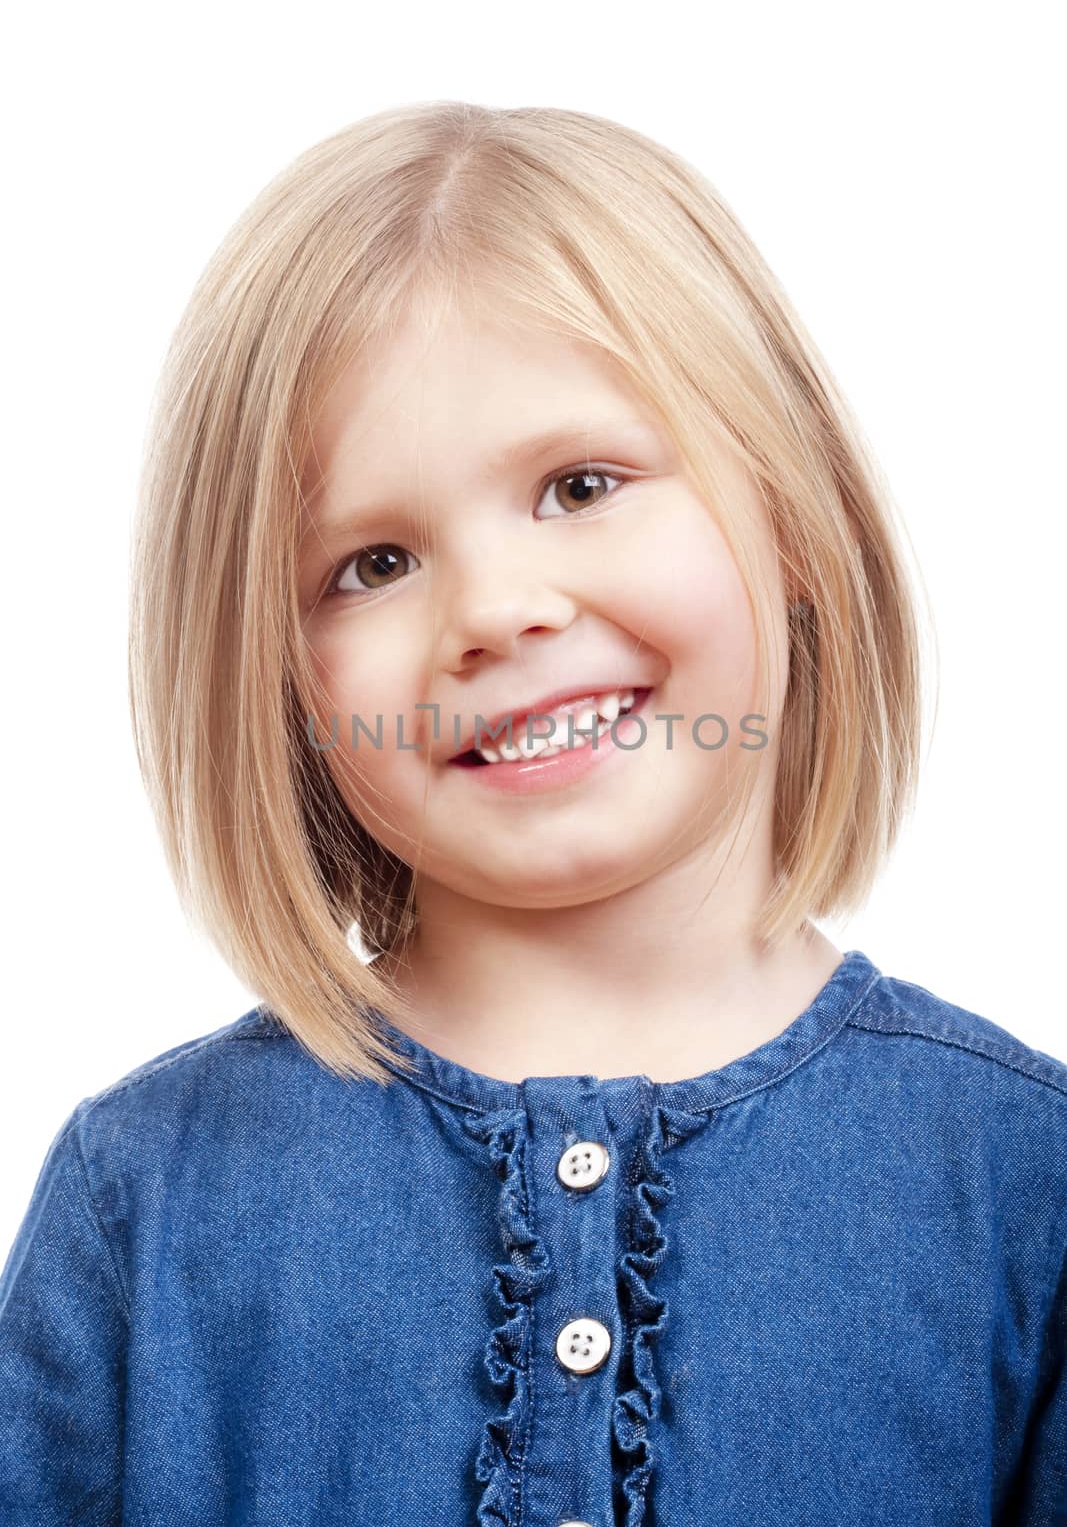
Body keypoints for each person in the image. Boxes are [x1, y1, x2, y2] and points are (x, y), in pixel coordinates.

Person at [1, 101, 1063, 1525]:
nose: (495, 612)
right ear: (272, 677)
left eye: (581, 485)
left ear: (792, 508)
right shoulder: (143, 1201)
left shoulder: (1020, 1183)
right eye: (371, 563)